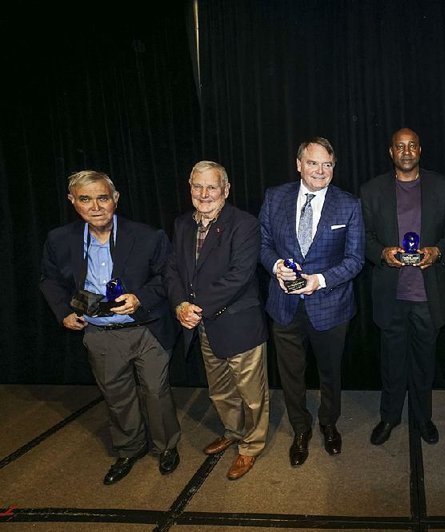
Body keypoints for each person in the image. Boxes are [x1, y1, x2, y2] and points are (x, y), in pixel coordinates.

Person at [40, 170, 181, 484]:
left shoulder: (148, 236)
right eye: (85, 199)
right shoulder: (60, 239)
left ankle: (166, 447)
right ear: (72, 202)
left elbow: (168, 279)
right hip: (99, 333)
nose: (95, 207)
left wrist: (139, 297)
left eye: (102, 197)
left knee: (156, 393)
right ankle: (129, 449)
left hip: (146, 328)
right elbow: (50, 280)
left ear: (115, 199)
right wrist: (63, 311)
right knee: (117, 396)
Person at [259, 137, 364, 467]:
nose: (320, 170)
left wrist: (319, 280)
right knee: (291, 374)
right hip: (284, 306)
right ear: (299, 164)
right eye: (314, 163)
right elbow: (262, 244)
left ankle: (329, 424)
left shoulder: (349, 205)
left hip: (330, 307)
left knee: (330, 373)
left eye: (327, 165)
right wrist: (275, 266)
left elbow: (355, 259)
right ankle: (300, 429)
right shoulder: (275, 198)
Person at [165, 161, 269, 481]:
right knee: (220, 390)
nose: (204, 193)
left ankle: (250, 446)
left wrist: (194, 306)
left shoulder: (244, 224)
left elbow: (239, 277)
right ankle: (233, 432)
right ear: (190, 188)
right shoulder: (182, 224)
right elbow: (172, 270)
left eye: (212, 187)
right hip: (203, 324)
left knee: (251, 394)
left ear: (226, 190)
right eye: (198, 186)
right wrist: (180, 304)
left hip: (238, 323)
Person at [360, 128, 445, 446]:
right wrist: (381, 253)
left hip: (428, 295)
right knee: (391, 362)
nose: (406, 151)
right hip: (391, 293)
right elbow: (361, 238)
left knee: (424, 363)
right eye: (400, 146)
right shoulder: (371, 190)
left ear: (420, 150)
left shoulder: (444, 187)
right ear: (391, 152)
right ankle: (389, 417)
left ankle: (422, 418)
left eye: (412, 145)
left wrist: (438, 252)